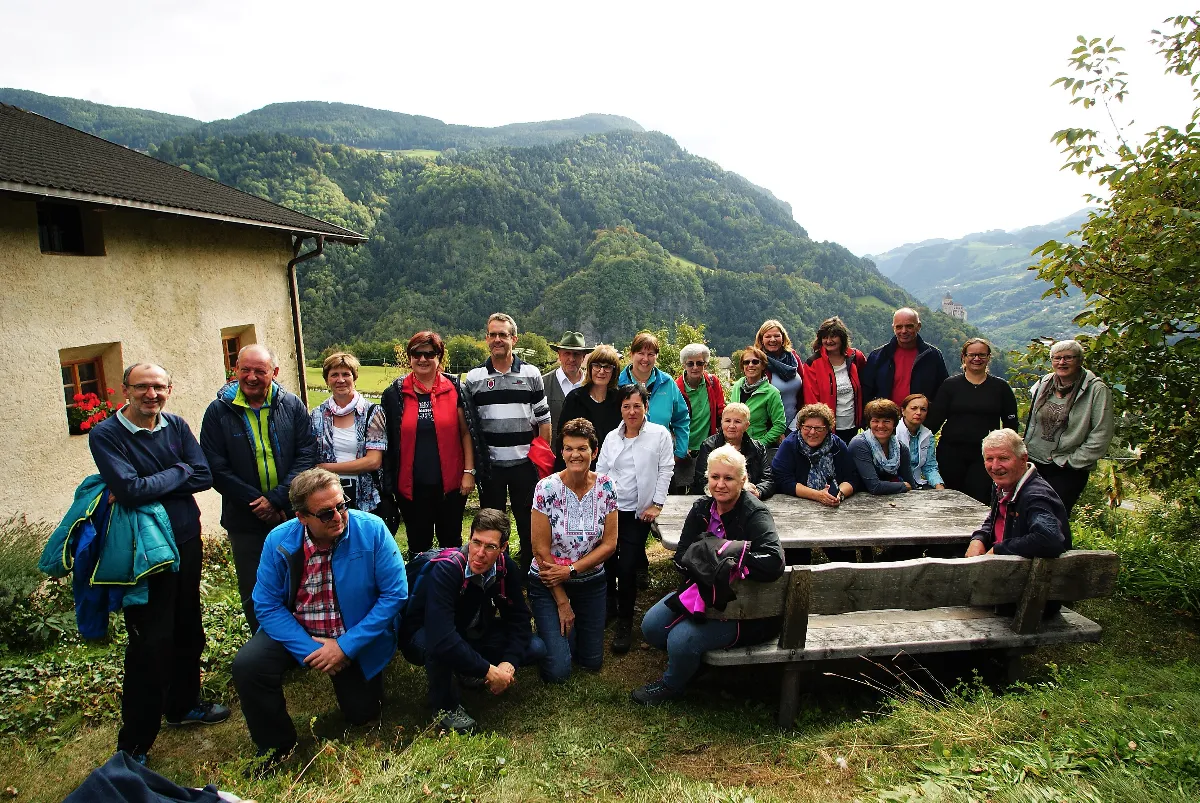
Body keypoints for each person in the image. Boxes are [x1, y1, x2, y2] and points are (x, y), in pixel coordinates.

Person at [88, 363, 227, 764]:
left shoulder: (177, 425)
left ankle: (184, 707)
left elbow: (202, 475)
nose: (152, 394)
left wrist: (155, 480)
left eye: (159, 387)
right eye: (143, 387)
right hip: (145, 552)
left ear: (170, 389)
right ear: (125, 390)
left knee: (188, 628)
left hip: (185, 541)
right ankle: (133, 745)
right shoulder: (106, 434)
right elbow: (128, 490)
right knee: (150, 644)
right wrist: (177, 470)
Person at [232, 469, 407, 762]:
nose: (338, 517)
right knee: (248, 666)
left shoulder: (373, 529)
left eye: (342, 505)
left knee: (363, 713)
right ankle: (276, 745)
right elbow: (265, 604)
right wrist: (312, 650)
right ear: (302, 517)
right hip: (300, 632)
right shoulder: (279, 540)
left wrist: (345, 647)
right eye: (326, 514)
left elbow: (395, 595)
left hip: (352, 634)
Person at [632, 445, 784, 705]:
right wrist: (706, 563)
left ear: (743, 480)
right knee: (652, 627)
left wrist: (724, 554)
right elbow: (680, 557)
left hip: (748, 610)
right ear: (707, 478)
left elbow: (774, 562)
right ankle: (694, 663)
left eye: (729, 478)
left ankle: (673, 684)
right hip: (702, 596)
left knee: (681, 639)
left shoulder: (754, 512)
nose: (721, 484)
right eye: (715, 477)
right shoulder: (702, 508)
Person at [201, 344, 317, 633]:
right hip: (244, 517)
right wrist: (258, 502)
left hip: (291, 513)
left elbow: (307, 454)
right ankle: (265, 643)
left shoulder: (291, 405)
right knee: (254, 587)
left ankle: (301, 640)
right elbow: (215, 467)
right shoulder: (218, 412)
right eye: (245, 370)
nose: (251, 377)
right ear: (235, 371)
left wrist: (277, 500)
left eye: (260, 371)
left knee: (299, 577)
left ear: (274, 373)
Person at [399, 509, 544, 735]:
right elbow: (442, 637)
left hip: (469, 630)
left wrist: (509, 662)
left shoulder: (506, 569)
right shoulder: (447, 569)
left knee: (536, 647)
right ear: (469, 537)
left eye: (490, 547)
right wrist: (489, 671)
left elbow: (519, 620)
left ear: (503, 548)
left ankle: (467, 669)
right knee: (437, 648)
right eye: (476, 542)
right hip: (424, 635)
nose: (479, 553)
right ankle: (445, 707)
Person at [529, 418, 618, 682]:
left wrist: (571, 570)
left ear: (595, 451)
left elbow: (610, 543)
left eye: (582, 448)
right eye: (568, 448)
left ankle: (561, 633)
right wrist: (562, 601)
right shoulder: (545, 489)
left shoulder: (607, 486)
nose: (574, 454)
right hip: (549, 583)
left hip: (591, 582)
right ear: (561, 452)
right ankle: (546, 629)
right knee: (559, 671)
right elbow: (540, 549)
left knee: (591, 662)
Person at [382, 331, 486, 555]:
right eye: (416, 354)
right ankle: (421, 588)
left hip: (450, 486)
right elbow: (389, 439)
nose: (422, 359)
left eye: (429, 354)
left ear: (439, 356)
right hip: (411, 487)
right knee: (418, 544)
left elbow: (466, 433)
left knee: (451, 542)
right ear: (409, 357)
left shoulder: (455, 388)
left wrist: (469, 471)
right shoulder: (395, 393)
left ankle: (451, 586)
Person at [464, 313, 552, 571]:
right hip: (491, 466)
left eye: (503, 334)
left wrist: (540, 460)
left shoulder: (531, 373)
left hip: (525, 464)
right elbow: (471, 427)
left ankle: (527, 573)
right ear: (486, 339)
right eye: (492, 334)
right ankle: (495, 572)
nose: (497, 339)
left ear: (514, 338)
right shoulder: (475, 377)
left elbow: (544, 420)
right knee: (492, 525)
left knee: (528, 523)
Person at [595, 384, 675, 654]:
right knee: (606, 562)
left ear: (646, 408)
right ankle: (609, 606)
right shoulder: (611, 437)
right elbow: (601, 472)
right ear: (620, 408)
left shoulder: (659, 435)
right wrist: (601, 505)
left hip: (637, 513)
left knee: (627, 567)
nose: (632, 412)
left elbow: (666, 469)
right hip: (610, 512)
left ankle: (626, 620)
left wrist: (657, 504)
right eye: (626, 406)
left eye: (637, 406)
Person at [1021, 339, 1115, 514]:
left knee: (1053, 517)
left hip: (1066, 468)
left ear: (1079, 360)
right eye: (1057, 358)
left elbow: (1102, 433)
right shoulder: (1045, 383)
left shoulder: (1096, 390)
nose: (1061, 362)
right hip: (1033, 462)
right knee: (1026, 513)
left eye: (1068, 358)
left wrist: (1071, 461)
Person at [926, 338, 1019, 504]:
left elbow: (1010, 426)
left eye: (982, 355)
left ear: (989, 357)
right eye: (972, 355)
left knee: (980, 499)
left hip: (985, 455)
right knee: (950, 499)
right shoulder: (950, 386)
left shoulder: (1001, 388)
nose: (977, 359)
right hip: (951, 453)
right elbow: (934, 422)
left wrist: (1009, 454)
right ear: (964, 357)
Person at [966, 429, 1071, 559]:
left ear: (1023, 459)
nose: (995, 466)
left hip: (1023, 575)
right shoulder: (1003, 485)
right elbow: (995, 519)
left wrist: (998, 550)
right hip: (1001, 566)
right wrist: (979, 538)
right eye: (989, 459)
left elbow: (1049, 539)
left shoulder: (1036, 496)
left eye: (1003, 458)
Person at [310, 352, 387, 513]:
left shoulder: (372, 412)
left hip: (365, 498)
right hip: (329, 497)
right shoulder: (316, 415)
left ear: (354, 378)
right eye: (334, 375)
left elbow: (373, 461)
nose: (340, 380)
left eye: (346, 374)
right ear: (326, 380)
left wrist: (325, 467)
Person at [861, 307, 949, 413]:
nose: (904, 331)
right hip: (886, 422)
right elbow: (867, 391)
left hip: (920, 421)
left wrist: (932, 421)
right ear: (893, 328)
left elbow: (942, 392)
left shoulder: (933, 356)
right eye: (899, 327)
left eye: (909, 326)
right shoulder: (878, 356)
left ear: (918, 326)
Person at [617, 331, 690, 460]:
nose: (645, 359)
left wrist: (680, 452)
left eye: (651, 354)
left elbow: (681, 418)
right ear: (631, 354)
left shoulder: (667, 383)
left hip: (662, 458)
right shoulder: (618, 384)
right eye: (640, 353)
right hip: (626, 459)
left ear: (656, 357)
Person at [771, 403, 857, 506]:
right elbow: (782, 480)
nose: (812, 432)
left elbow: (852, 478)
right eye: (807, 427)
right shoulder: (789, 445)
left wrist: (838, 494)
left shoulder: (837, 445)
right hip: (795, 505)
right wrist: (818, 495)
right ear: (800, 427)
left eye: (818, 428)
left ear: (827, 429)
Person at [555, 344, 622, 469]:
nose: (601, 371)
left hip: (614, 470)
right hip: (579, 469)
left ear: (614, 371)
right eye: (597, 366)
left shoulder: (620, 400)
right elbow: (562, 439)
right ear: (590, 367)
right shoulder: (575, 399)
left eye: (607, 367)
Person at [691, 402, 775, 499]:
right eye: (727, 421)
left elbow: (768, 479)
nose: (731, 425)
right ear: (721, 422)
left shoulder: (758, 448)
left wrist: (758, 491)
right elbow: (701, 480)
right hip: (715, 499)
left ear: (746, 425)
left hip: (749, 500)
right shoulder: (709, 446)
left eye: (737, 422)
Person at [803, 316, 867, 443]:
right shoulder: (813, 363)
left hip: (852, 425)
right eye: (825, 337)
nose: (829, 340)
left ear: (842, 338)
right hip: (826, 428)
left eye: (833, 336)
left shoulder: (855, 358)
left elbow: (867, 385)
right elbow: (811, 400)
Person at [673, 342, 726, 493]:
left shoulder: (713, 382)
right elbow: (671, 421)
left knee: (707, 490)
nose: (695, 367)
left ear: (705, 364)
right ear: (684, 365)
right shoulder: (675, 388)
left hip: (708, 448)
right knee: (682, 491)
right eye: (690, 363)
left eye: (699, 363)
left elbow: (720, 410)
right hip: (685, 449)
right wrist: (681, 446)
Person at [848, 399, 915, 495]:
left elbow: (911, 484)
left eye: (886, 421)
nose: (880, 426)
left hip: (891, 499)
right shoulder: (859, 444)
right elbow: (874, 487)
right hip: (859, 498)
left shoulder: (901, 448)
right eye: (875, 421)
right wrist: (903, 485)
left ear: (894, 424)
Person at [755, 320, 804, 436]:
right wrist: (776, 431)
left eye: (777, 336)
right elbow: (758, 401)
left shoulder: (793, 358)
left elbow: (804, 389)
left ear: (783, 338)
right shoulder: (758, 362)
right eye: (768, 336)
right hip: (771, 428)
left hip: (796, 423)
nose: (773, 339)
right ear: (761, 339)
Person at [732, 346, 787, 448]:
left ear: (763, 366)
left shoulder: (772, 393)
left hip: (756, 449)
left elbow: (780, 425)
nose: (750, 365)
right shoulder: (736, 386)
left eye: (755, 362)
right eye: (746, 362)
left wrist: (760, 444)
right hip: (735, 446)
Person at [542, 332, 593, 432]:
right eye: (567, 353)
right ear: (559, 355)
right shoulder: (543, 384)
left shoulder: (592, 385)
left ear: (583, 357)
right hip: (551, 447)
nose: (571, 359)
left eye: (576, 354)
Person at [897, 394, 945, 490]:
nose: (918, 412)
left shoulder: (928, 435)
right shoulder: (893, 432)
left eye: (923, 409)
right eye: (913, 408)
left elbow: (930, 467)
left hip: (918, 483)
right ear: (903, 411)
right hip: (897, 483)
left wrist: (939, 485)